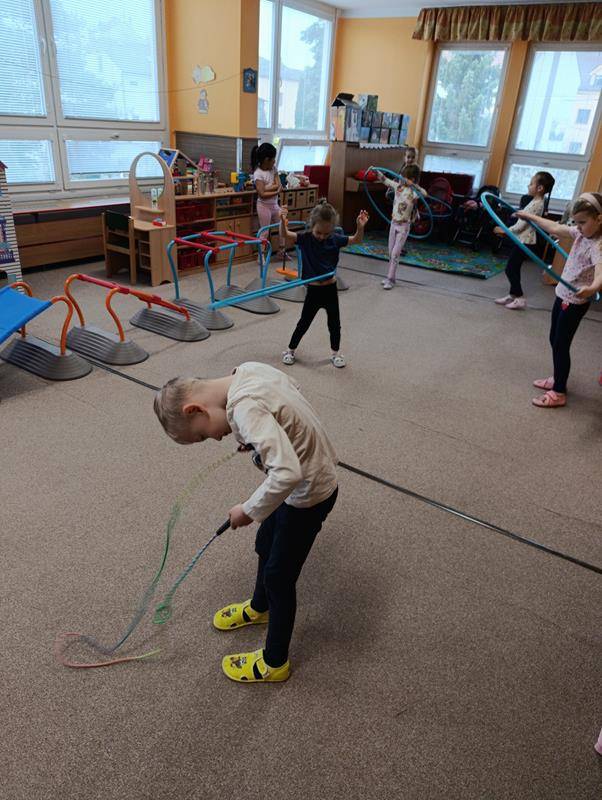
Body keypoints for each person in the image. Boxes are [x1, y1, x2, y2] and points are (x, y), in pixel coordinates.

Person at [153, 362, 339, 683]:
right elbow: (290, 388)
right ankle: (259, 607)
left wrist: (248, 509)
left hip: (308, 495)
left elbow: (287, 473)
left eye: (201, 435)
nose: (213, 439)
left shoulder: (243, 408)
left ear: (195, 409)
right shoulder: (247, 370)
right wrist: (265, 435)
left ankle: (274, 663)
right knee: (265, 543)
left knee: (279, 578)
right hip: (295, 488)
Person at [514, 192, 602, 408]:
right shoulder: (581, 233)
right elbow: (554, 227)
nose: (578, 227)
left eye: (582, 222)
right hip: (562, 294)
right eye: (576, 222)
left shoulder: (598, 245)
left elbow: (601, 271)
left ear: (599, 219)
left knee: (561, 344)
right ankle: (558, 377)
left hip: (574, 302)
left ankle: (559, 391)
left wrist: (592, 288)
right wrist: (529, 216)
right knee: (554, 339)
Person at [280, 200, 369, 369]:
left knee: (334, 324)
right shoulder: (306, 238)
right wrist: (282, 221)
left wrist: (360, 227)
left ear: (332, 230)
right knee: (304, 322)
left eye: (326, 234)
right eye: (318, 232)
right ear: (312, 225)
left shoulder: (335, 239)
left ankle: (335, 353)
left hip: (330, 289)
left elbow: (357, 239)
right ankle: (290, 350)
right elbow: (285, 235)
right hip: (313, 290)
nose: (322, 236)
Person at [493, 171, 555, 310]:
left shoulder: (537, 204)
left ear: (540, 188)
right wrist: (517, 214)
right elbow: (525, 215)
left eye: (531, 183)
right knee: (513, 267)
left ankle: (520, 297)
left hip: (526, 241)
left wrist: (504, 230)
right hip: (522, 239)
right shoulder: (535, 201)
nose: (528, 185)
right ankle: (512, 295)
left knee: (510, 269)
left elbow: (523, 225)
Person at [376, 164, 427, 290]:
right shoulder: (398, 186)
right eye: (402, 176)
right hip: (393, 224)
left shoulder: (413, 192)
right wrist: (377, 172)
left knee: (395, 253)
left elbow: (425, 194)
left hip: (403, 227)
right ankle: (391, 277)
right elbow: (385, 181)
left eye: (405, 177)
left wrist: (415, 186)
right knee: (390, 253)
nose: (402, 178)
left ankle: (390, 279)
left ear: (412, 179)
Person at [251, 142, 288, 261]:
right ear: (266, 160)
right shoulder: (258, 173)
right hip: (263, 206)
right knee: (264, 231)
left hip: (274, 205)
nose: (274, 162)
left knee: (283, 225)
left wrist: (267, 188)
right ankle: (260, 255)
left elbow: (279, 184)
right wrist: (275, 190)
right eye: (273, 159)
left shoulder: (273, 169)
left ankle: (281, 251)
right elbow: (262, 195)